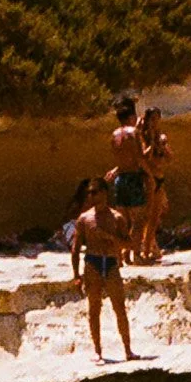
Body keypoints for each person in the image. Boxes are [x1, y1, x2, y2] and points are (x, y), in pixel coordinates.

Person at [71, 177, 136, 363]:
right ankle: (97, 350)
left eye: (95, 192)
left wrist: (111, 239)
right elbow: (75, 249)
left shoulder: (117, 218)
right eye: (89, 193)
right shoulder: (84, 219)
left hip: (111, 263)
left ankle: (128, 349)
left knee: (119, 308)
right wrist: (76, 275)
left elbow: (129, 244)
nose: (91, 196)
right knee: (94, 308)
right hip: (92, 263)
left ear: (104, 193)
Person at [110, 95, 148, 255]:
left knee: (122, 221)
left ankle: (121, 255)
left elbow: (120, 159)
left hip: (120, 179)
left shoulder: (114, 135)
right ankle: (136, 255)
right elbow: (140, 158)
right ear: (132, 117)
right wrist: (149, 173)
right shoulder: (134, 133)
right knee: (139, 220)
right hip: (133, 177)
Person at [140, 106, 170, 265]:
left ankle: (149, 247)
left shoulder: (160, 136)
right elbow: (144, 157)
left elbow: (170, 158)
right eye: (152, 119)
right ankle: (144, 250)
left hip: (159, 177)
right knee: (146, 216)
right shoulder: (142, 137)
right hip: (148, 178)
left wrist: (163, 146)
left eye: (157, 119)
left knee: (156, 216)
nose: (155, 122)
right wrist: (151, 141)